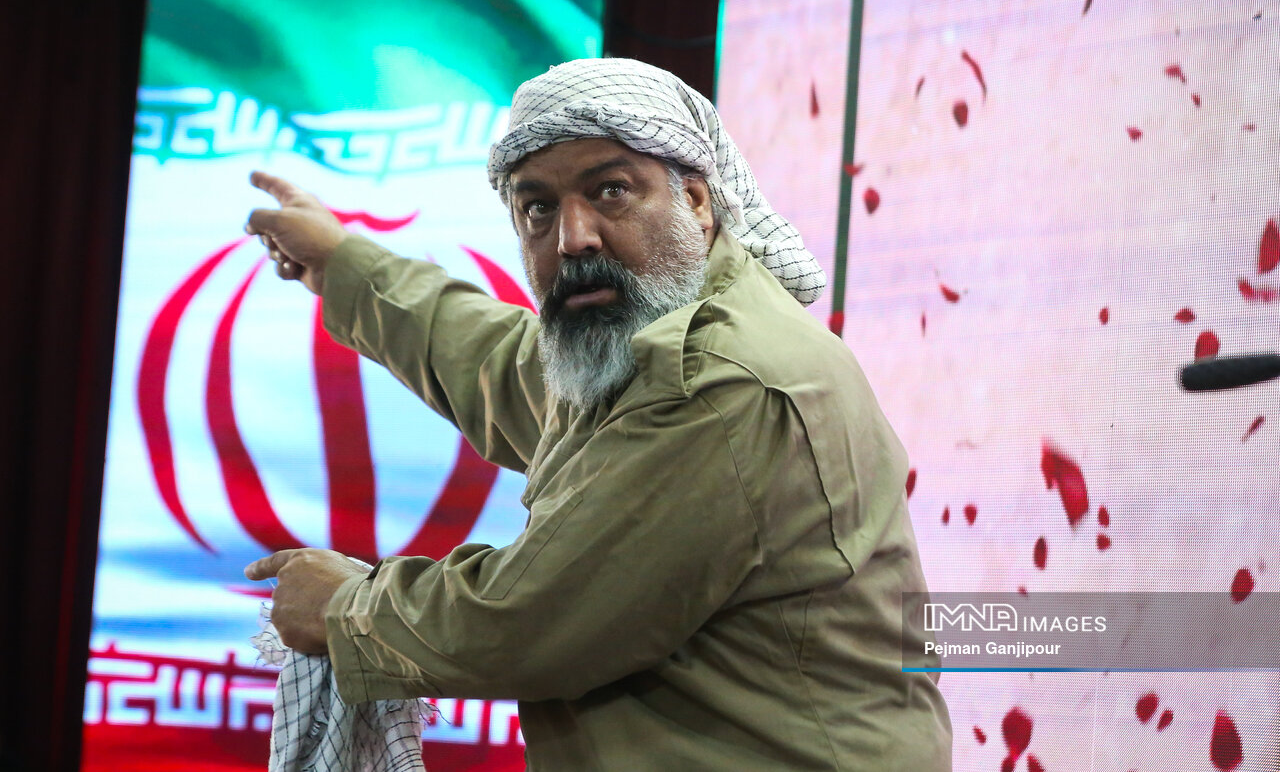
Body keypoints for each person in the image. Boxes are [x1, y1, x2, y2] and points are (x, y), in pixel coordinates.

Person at [244, 57, 952, 770]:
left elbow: (534, 619)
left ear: (696, 200)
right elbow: (501, 364)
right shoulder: (654, 337)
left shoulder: (718, 384)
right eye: (538, 208)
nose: (572, 237)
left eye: (611, 191)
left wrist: (347, 610)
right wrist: (339, 263)